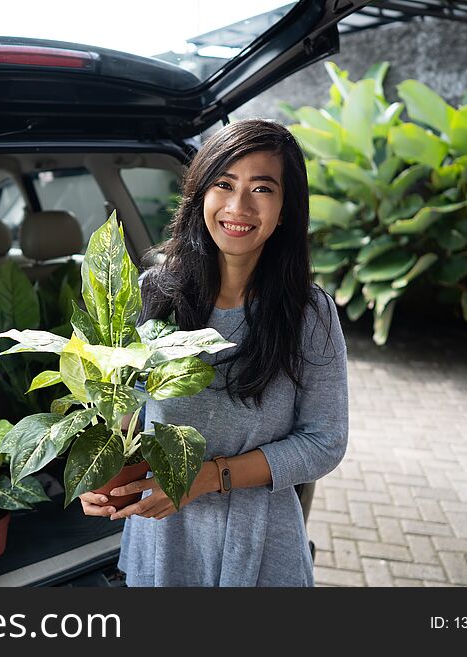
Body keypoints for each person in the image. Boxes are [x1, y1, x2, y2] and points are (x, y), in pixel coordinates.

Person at [78, 118, 349, 587]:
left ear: (284, 209)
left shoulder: (309, 314)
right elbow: (126, 407)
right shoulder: (152, 294)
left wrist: (204, 478)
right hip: (159, 540)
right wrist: (99, 475)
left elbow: (324, 442)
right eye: (224, 184)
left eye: (262, 189)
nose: (238, 206)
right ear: (201, 194)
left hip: (258, 545)